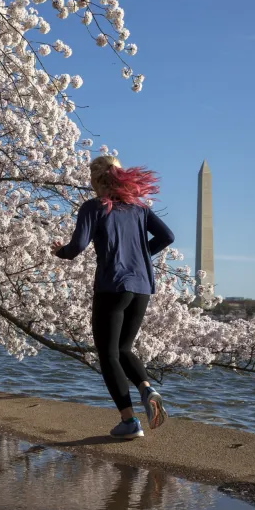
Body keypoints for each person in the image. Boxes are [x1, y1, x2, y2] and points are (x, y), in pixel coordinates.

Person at [52, 155, 175, 439]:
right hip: (141, 287)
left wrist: (60, 251)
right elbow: (167, 236)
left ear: (96, 180)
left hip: (112, 286)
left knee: (108, 354)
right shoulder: (139, 209)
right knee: (124, 349)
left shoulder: (94, 207)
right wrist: (141, 255)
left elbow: (77, 247)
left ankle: (129, 421)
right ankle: (147, 389)